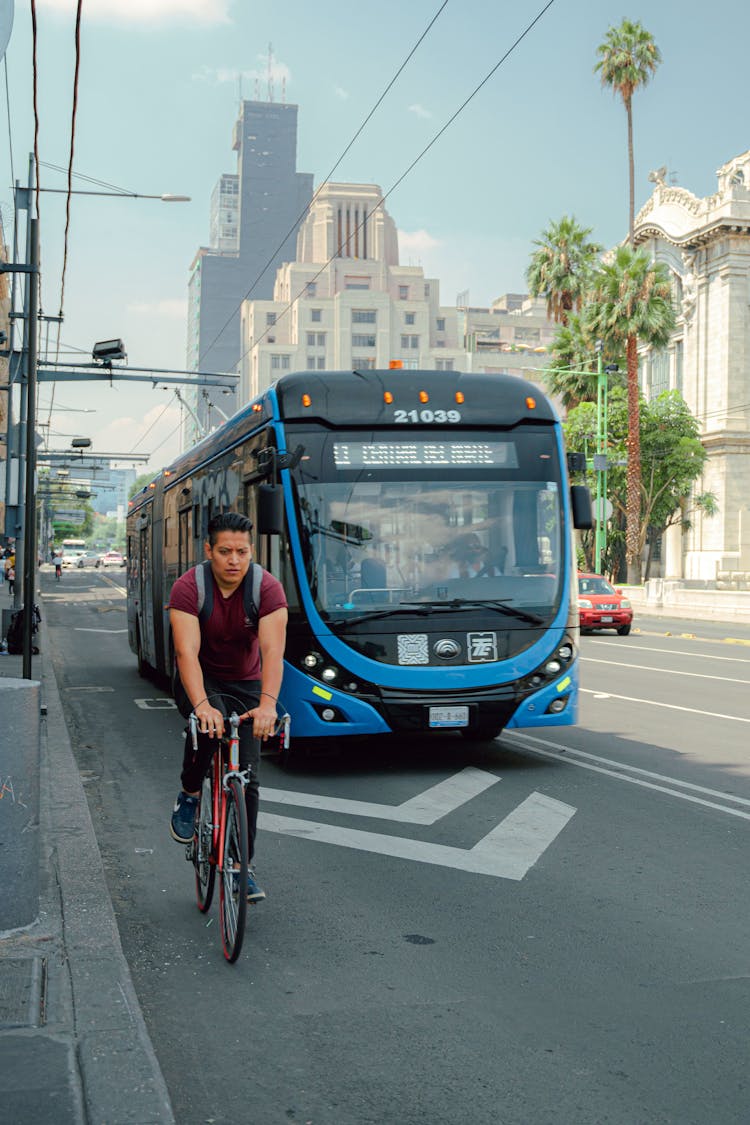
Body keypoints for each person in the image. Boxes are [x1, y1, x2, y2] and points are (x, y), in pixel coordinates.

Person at [168, 512, 287, 903]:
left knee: (248, 776)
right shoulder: (189, 588)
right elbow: (186, 652)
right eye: (225, 552)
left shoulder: (266, 588)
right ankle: (189, 793)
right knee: (208, 728)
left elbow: (272, 652)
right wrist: (202, 705)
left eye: (242, 551)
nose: (234, 560)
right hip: (200, 678)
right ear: (209, 551)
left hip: (247, 681)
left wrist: (268, 703)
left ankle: (240, 867)